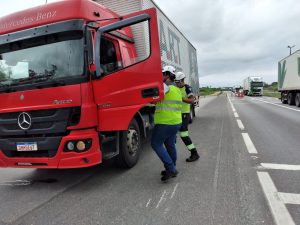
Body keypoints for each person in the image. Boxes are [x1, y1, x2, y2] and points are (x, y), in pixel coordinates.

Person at [151, 65, 182, 182]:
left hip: (165, 122)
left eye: (163, 74)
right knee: (170, 145)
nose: (161, 76)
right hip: (176, 122)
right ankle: (172, 167)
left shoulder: (164, 87)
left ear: (167, 75)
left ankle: (171, 168)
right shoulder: (177, 89)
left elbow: (153, 98)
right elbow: (162, 101)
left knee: (156, 144)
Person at [175, 71, 200, 162]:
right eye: (176, 82)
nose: (177, 84)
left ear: (182, 80)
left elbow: (191, 101)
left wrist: (181, 99)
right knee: (176, 135)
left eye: (178, 82)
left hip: (184, 114)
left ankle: (194, 153)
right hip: (177, 114)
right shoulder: (176, 88)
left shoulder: (187, 88)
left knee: (184, 135)